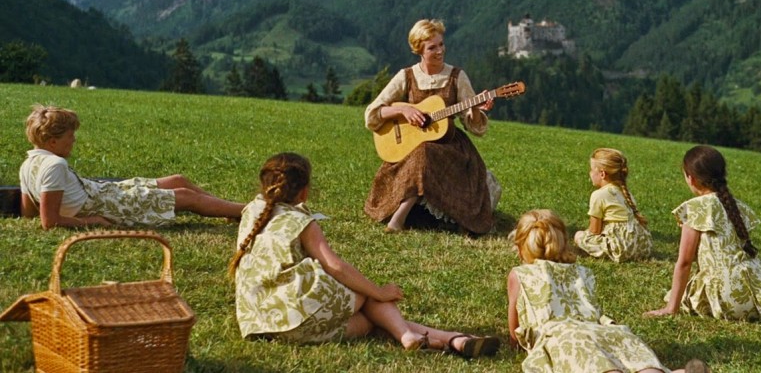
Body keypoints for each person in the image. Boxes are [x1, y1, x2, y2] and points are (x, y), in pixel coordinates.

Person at [230, 152, 500, 356]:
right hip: (297, 315)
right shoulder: (302, 222)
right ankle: (424, 336)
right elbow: (335, 266)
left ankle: (449, 339)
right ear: (304, 191)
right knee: (364, 294)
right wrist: (379, 291)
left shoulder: (252, 210)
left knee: (368, 320)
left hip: (263, 322)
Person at [507, 209, 708, 373]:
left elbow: (514, 323)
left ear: (521, 246)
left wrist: (515, 344)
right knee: (639, 363)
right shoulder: (582, 272)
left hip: (562, 337)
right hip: (603, 330)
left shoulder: (520, 274)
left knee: (598, 366)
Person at [644, 145, 761, 322]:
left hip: (725, 295)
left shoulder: (695, 208)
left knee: (678, 296)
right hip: (753, 286)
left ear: (691, 179)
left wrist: (671, 308)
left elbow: (685, 262)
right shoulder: (735, 205)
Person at [363, 19, 499, 234]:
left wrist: (474, 108)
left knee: (425, 152)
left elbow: (474, 125)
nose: (440, 51)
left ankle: (399, 218)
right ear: (419, 50)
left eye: (441, 44)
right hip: (412, 146)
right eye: (432, 47)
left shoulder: (457, 76)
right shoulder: (406, 76)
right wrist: (403, 110)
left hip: (450, 148)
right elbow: (372, 114)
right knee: (422, 151)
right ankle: (403, 214)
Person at [19, 104, 244, 229]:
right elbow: (50, 221)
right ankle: (248, 211)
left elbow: (28, 211)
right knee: (186, 196)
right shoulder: (55, 165)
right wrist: (92, 221)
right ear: (53, 142)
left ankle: (230, 211)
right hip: (109, 206)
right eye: (70, 136)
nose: (74, 140)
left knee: (178, 180)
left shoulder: (28, 163)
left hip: (102, 192)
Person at [574, 148, 652, 262]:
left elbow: (594, 231)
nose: (589, 173)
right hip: (642, 247)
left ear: (602, 174)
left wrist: (584, 235)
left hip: (621, 249)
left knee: (579, 235)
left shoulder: (598, 195)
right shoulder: (625, 193)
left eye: (591, 170)